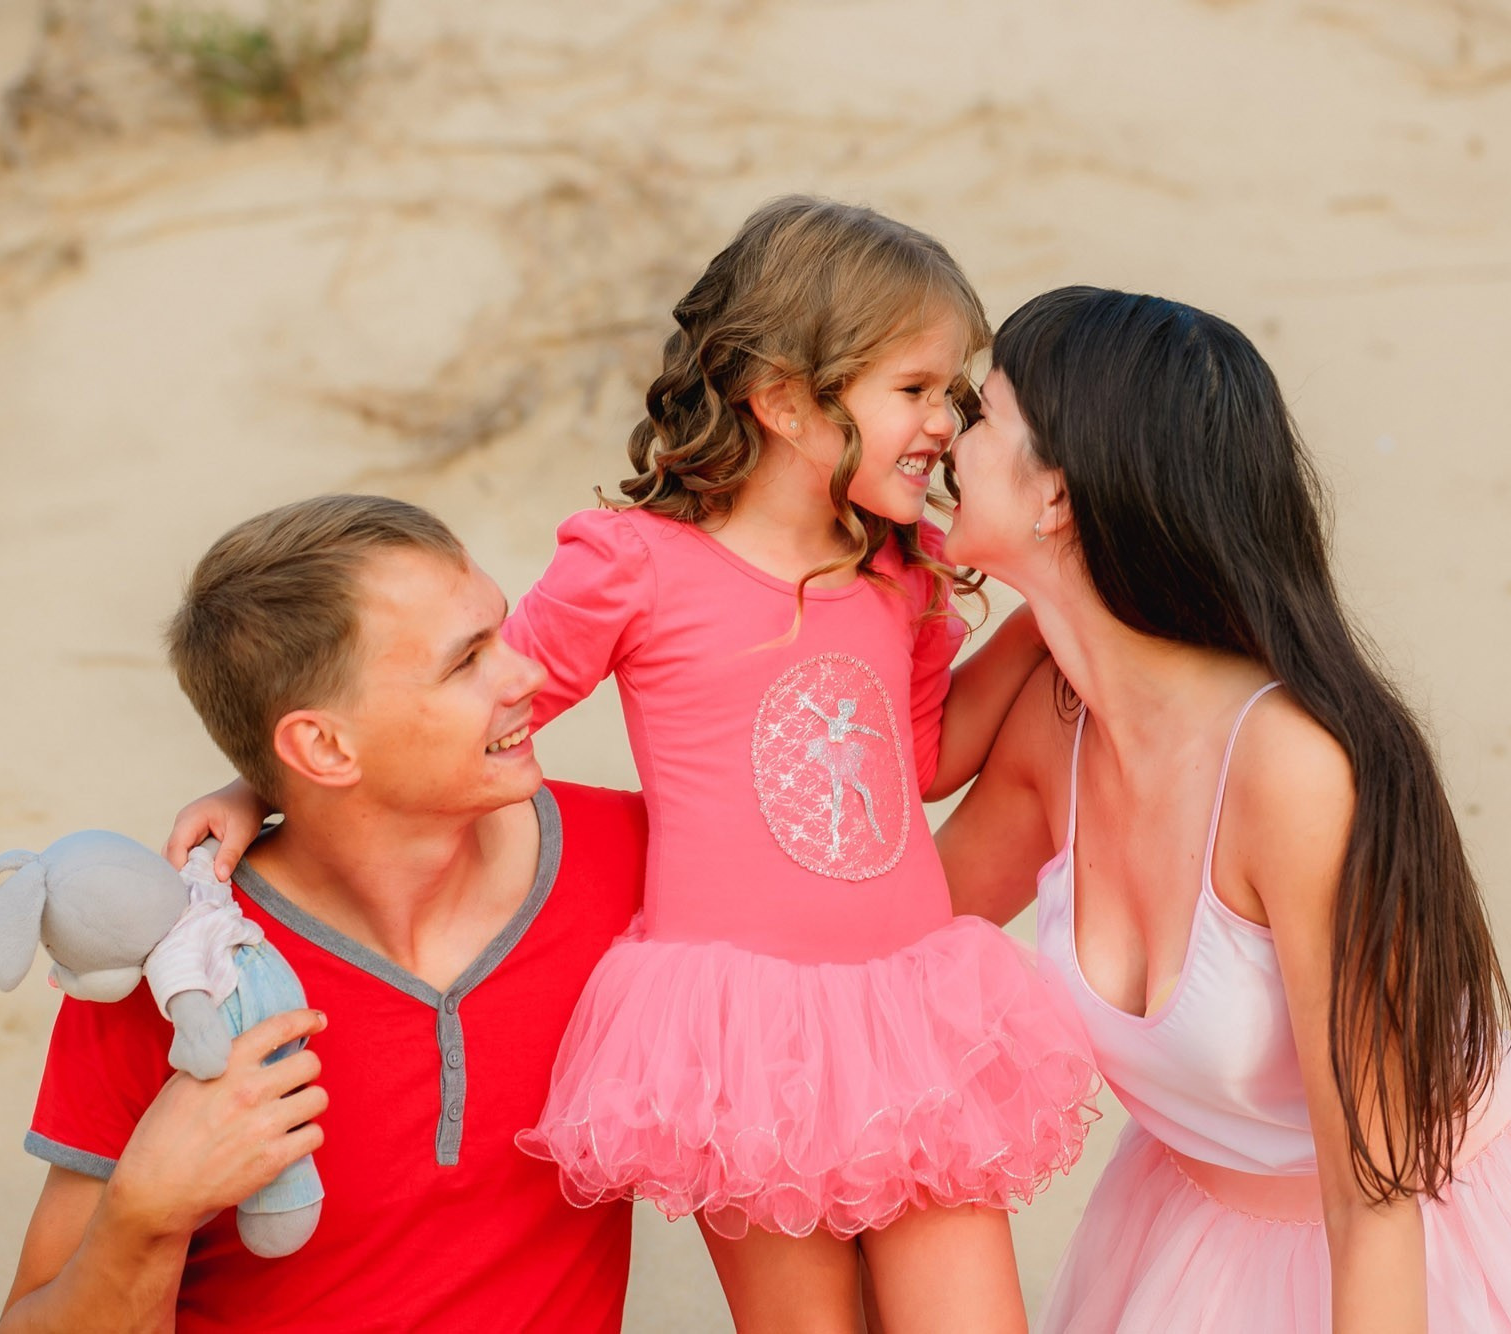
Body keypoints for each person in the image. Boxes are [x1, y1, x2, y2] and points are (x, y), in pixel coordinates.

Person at [176, 198, 1101, 1332]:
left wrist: (1038, 613)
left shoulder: (896, 577)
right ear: (781, 399)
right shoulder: (637, 565)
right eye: (913, 390)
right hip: (739, 1035)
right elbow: (462, 714)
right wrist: (257, 785)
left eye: (953, 394)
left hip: (912, 1012)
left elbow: (909, 767)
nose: (940, 425)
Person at [937, 286, 1511, 1332]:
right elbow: (890, 940)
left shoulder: (1291, 773)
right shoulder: (1056, 730)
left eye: (981, 413)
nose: (948, 437)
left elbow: (1373, 1195)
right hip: (1198, 1238)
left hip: (1434, 1242)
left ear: (1055, 493)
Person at [0, 496, 646, 1332]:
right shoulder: (176, 976)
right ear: (325, 748)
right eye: (466, 662)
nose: (526, 675)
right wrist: (145, 1214)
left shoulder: (633, 867)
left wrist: (261, 789)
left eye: (501, 631)